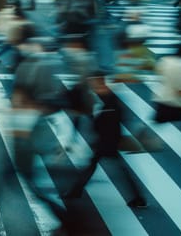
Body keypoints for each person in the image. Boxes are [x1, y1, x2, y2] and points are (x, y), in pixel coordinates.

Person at [63, 72, 147, 209]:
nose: (92, 86)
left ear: (100, 82)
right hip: (103, 139)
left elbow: (116, 120)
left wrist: (112, 138)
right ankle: (75, 191)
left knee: (106, 167)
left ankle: (138, 197)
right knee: (95, 165)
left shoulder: (111, 99)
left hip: (109, 141)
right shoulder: (101, 96)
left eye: (94, 83)